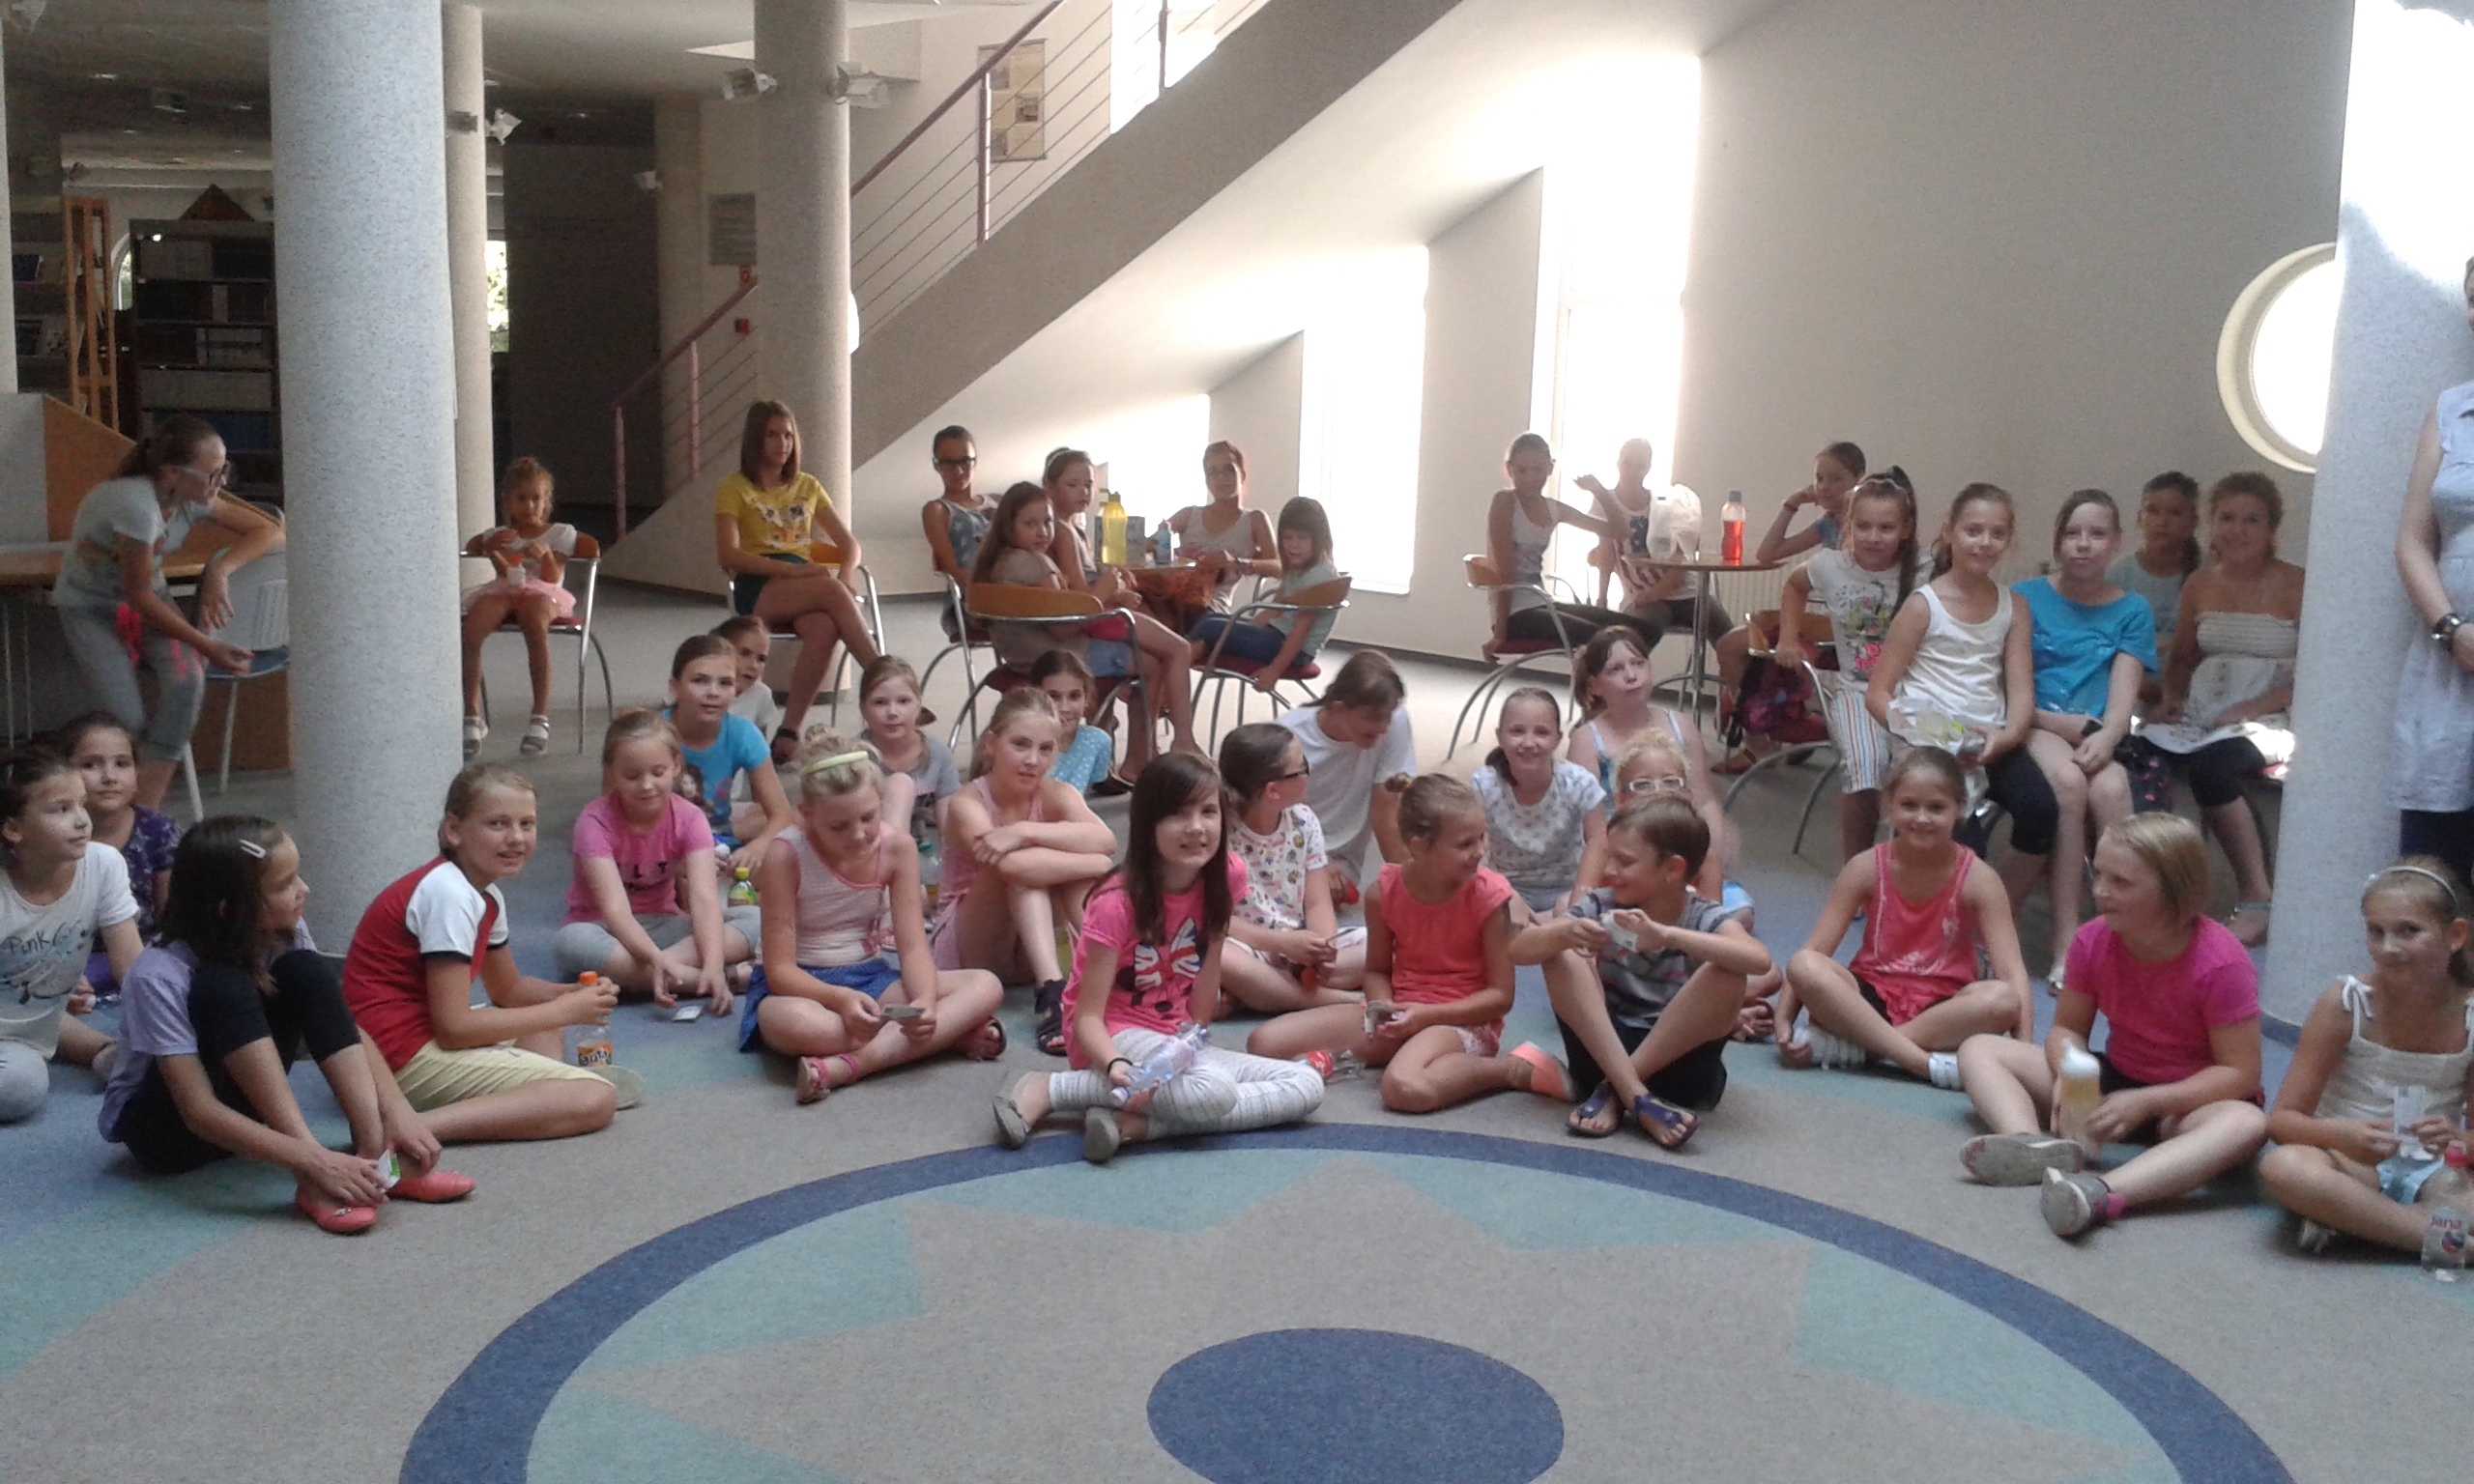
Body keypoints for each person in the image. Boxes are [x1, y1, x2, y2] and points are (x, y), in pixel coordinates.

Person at [99, 816, 475, 1232]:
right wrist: (315, 1161)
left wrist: (397, 1112)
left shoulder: (282, 928)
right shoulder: (157, 974)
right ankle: (312, 1178)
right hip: (169, 1136)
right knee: (222, 984)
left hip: (247, 1111)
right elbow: (198, 1112)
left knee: (306, 970)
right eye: (284, 884)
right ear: (229, 909)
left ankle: (375, 1157)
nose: (304, 889)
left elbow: (343, 1025)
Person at [993, 755, 1325, 1162]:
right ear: (1148, 823)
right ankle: (1054, 1088)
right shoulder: (1116, 902)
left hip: (1173, 1036)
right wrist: (1113, 1063)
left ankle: (1139, 1125)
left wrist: (1189, 1042)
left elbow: (1207, 981)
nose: (1196, 827)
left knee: (1305, 1083)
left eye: (1208, 812)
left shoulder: (1227, 874)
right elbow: (1086, 1017)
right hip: (1111, 1034)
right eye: (1178, 814)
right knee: (1213, 1090)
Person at [1954, 813, 2267, 1240]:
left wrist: (2148, 1102)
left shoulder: (2222, 962)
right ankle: (2029, 1144)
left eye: (2121, 882)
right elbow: (2067, 1029)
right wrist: (2070, 1075)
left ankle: (2100, 1192)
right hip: (2113, 1081)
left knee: (2247, 1125)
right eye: (2098, 874)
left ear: (2174, 889)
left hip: (2189, 1102)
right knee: (1980, 1049)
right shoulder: (2092, 939)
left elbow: (2240, 1073)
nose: (2100, 890)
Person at [1249, 774, 1568, 1112]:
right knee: (1263, 1043)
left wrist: (1426, 1016)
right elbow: (1376, 970)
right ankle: (1408, 1053)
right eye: (1465, 844)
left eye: (1482, 837)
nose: (1481, 851)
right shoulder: (1383, 893)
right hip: (1402, 1011)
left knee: (1404, 1088)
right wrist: (1381, 1007)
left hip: (1461, 1021)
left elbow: (1500, 997)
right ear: (1418, 847)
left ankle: (1509, 1069)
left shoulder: (1489, 896)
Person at [341, 763, 622, 1142]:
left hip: (414, 1042)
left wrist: (574, 994)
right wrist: (564, 1010)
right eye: (497, 824)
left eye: (527, 824)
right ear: (453, 830)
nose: (516, 838)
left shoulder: (484, 894)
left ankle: (528, 1099)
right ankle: (407, 1129)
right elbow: (454, 1029)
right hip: (396, 1058)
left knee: (545, 1026)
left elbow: (509, 990)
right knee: (596, 1097)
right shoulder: (450, 893)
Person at [741, 733, 1005, 1101]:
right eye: (838, 826)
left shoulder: (897, 847)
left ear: (881, 801)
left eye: (869, 817)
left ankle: (850, 1066)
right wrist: (839, 999)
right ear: (806, 815)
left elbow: (912, 947)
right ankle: (944, 1038)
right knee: (808, 1027)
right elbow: (780, 970)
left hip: (870, 978)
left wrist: (924, 1001)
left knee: (986, 985)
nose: (859, 834)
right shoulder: (785, 854)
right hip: (801, 988)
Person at [51, 414, 284, 809]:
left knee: (187, 682)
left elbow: (271, 530)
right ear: (173, 472)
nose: (221, 483)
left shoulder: (190, 500)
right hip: (92, 608)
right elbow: (138, 596)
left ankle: (144, 809)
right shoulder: (135, 504)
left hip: (149, 602)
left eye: (224, 471)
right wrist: (207, 645)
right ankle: (116, 811)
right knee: (125, 720)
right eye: (212, 474)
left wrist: (219, 568)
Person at [1515, 793, 1771, 1147]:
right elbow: (1519, 951)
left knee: (1728, 971)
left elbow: (1759, 960)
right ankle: (1635, 1095)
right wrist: (1566, 932)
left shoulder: (1701, 915)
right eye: (1609, 857)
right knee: (1560, 951)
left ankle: (1616, 1091)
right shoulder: (1601, 904)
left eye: (1624, 861)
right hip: (1604, 1051)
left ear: (1673, 870)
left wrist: (1667, 936)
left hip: (1678, 1067)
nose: (1608, 870)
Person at [1780, 747, 2031, 1089]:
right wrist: (1783, 1020)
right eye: (1909, 805)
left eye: (1936, 808)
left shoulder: (1980, 879)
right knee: (1804, 965)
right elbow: (1814, 951)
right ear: (1889, 805)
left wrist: (2024, 1052)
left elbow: (2012, 973)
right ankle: (1921, 1062)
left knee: (2002, 999)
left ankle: (1865, 1047)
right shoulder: (1864, 867)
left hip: (1943, 1009)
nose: (1922, 818)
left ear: (1960, 807)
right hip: (1869, 998)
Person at [2260, 859, 2474, 1254]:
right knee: (2284, 1168)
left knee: (2462, 1193)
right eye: (2376, 932)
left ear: (2456, 935)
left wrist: (2457, 1138)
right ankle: (2441, 1239)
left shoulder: (2470, 1014)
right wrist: (2341, 1135)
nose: (2388, 948)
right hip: (2347, 1162)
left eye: (2408, 931)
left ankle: (2362, 1221)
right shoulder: (2345, 1003)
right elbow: (2282, 1121)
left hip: (2434, 1170)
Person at [1865, 481, 2058, 912]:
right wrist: (1922, 736)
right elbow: (1878, 694)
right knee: (1962, 838)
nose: (1984, 542)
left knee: (2041, 809)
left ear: (2008, 540)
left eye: (1997, 533)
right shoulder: (1923, 605)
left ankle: (1995, 913)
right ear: (1949, 531)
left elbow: (2021, 692)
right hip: (1929, 744)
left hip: (1990, 740)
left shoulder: (2015, 606)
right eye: (1973, 530)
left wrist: (2006, 737)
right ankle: (1943, 918)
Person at [2140, 471, 2304, 947]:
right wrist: (2171, 698)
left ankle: (2256, 897)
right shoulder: (2200, 583)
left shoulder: (2297, 583)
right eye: (2227, 518)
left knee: (2213, 768)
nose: (2238, 530)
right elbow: (2183, 656)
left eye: (2251, 520)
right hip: (2204, 710)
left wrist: (2253, 707)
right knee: (2135, 750)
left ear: (2271, 529)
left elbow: (2317, 673)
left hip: (2270, 715)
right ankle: (2161, 886)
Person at [2015, 490, 2154, 976]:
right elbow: (2010, 690)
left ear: (2116, 542)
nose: (2083, 543)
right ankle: (2067, 941)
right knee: (2069, 784)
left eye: (2096, 534)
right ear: (2057, 541)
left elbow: (2122, 701)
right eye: (2072, 533)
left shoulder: (2133, 608)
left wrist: (2109, 736)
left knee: (2113, 790)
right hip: (2036, 722)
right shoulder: (2024, 597)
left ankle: (2124, 936)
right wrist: (2059, 724)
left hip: (2096, 730)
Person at [933, 688, 1116, 1056]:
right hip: (971, 952)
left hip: (1027, 949)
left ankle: (1112, 968)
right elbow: (1013, 868)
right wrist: (1097, 863)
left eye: (1045, 749)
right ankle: (1053, 994)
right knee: (1025, 872)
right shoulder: (968, 802)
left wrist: (1023, 831)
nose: (1033, 760)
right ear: (991, 744)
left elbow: (1106, 840)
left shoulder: (1057, 793)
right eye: (1020, 745)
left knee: (1062, 868)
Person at [972, 480, 1203, 765]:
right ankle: (1141, 757)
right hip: (1059, 656)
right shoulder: (1036, 565)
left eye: (1047, 522)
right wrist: (1103, 591)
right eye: (1030, 524)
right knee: (1152, 664)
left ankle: (1117, 753)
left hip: (1019, 659)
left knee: (1145, 652)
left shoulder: (998, 563)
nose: (1043, 531)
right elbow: (1063, 627)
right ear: (1009, 526)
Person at [552, 709, 758, 1012]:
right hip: (604, 928)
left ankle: (642, 980)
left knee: (754, 918)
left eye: (657, 773)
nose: (646, 785)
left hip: (664, 924)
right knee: (569, 942)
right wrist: (656, 958)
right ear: (612, 773)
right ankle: (715, 979)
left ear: (676, 766)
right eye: (632, 776)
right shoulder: (594, 823)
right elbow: (615, 910)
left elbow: (703, 898)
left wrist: (713, 963)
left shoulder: (690, 818)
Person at [712, 399, 881, 753]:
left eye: (788, 435)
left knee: (825, 626)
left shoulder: (807, 486)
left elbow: (849, 545)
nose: (783, 443)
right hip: (759, 583)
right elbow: (727, 554)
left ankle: (788, 732)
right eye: (772, 435)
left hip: (804, 586)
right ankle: (884, 680)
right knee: (831, 592)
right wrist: (792, 570)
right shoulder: (734, 487)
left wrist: (845, 576)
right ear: (755, 440)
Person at [1773, 470, 1918, 859]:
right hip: (1857, 690)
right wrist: (1788, 637)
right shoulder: (1830, 565)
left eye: (1886, 527)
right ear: (1848, 525)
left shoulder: (1923, 570)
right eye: (1863, 526)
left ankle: (1910, 866)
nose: (1873, 537)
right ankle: (1858, 868)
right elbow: (1794, 585)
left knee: (1923, 769)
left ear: (1905, 530)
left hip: (1913, 691)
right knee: (1865, 768)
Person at [1710, 441, 1870, 768]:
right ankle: (1765, 738)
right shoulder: (1828, 523)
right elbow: (1767, 553)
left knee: (1765, 659)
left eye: (1836, 479)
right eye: (1819, 478)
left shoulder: (1865, 526)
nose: (1825, 487)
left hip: (1854, 633)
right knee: (1729, 645)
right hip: (1823, 624)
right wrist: (1791, 504)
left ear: (1858, 480)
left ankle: (1787, 732)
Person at [0, 750, 136, 1123]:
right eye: (60, 809)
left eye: (81, 804)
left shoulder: (102, 864)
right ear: (13, 829)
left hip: (30, 1022)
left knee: (162, 1057)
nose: (81, 820)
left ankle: (101, 1049)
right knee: (20, 1085)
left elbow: (134, 971)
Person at [2393, 267, 2474, 882]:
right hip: (2452, 660)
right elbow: (2412, 542)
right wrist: (2452, 629)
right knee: (2433, 871)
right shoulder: (2451, 408)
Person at [1566, 627, 1731, 901]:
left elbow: (1703, 799)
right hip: (1619, 861)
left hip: (1680, 853)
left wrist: (1710, 848)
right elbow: (1592, 828)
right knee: (1574, 909)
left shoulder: (1681, 726)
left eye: (1638, 663)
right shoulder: (1587, 740)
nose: (1631, 675)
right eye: (1616, 669)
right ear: (1594, 685)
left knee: (1738, 913)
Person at [1217, 723, 1365, 1014]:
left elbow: (1318, 902)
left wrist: (1322, 950)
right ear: (1272, 790)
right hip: (1249, 944)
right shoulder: (1220, 832)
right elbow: (1215, 919)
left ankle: (1266, 992)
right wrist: (1280, 943)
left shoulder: (1304, 821)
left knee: (1392, 945)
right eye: (1302, 767)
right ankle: (1332, 1000)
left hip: (1299, 943)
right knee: (1218, 957)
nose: (1310, 771)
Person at [459, 456, 578, 759]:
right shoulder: (500, 534)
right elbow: (504, 571)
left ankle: (540, 716)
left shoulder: (560, 533)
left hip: (545, 592)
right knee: (471, 629)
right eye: (521, 499)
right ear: (508, 502)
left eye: (536, 499)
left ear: (547, 501)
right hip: (508, 588)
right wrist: (493, 550)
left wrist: (545, 555)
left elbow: (552, 577)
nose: (529, 506)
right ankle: (472, 714)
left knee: (534, 621)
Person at [1484, 432, 1639, 660]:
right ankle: (1599, 680)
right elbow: (1505, 572)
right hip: (1514, 616)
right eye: (1522, 470)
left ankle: (1610, 677)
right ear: (1509, 469)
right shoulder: (1504, 502)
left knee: (1638, 629)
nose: (1530, 478)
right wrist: (1500, 634)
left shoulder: (1554, 508)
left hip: (1543, 604)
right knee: (1607, 638)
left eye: (1538, 470)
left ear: (1550, 467)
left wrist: (1599, 491)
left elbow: (1620, 531)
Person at [60, 713, 180, 995]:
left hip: (143, 953)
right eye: (90, 765)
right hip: (71, 960)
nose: (109, 777)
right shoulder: (51, 835)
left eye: (122, 764)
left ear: (138, 773)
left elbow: (172, 918)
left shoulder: (158, 830)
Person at [1279, 649, 1417, 894]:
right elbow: (1266, 818)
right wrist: (1312, 858)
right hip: (1287, 848)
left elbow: (1385, 814)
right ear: (1338, 708)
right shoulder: (1289, 737)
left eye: (1388, 717)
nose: (1384, 728)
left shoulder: (1393, 719)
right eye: (1374, 718)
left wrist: (1417, 889)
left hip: (1343, 862)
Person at [1470, 686, 1608, 919]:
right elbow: (1473, 847)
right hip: (1506, 886)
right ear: (1499, 737)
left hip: (1568, 885)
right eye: (1517, 731)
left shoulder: (1579, 783)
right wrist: (1501, 894)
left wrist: (1580, 896)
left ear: (1557, 739)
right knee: (1497, 917)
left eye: (1541, 732)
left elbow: (1599, 839)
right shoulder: (1483, 785)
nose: (1528, 742)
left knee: (1572, 917)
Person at [668, 634, 795, 873]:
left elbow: (781, 814)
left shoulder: (742, 733)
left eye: (725, 683)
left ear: (736, 689)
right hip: (664, 846)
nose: (713, 692)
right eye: (700, 681)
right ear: (675, 687)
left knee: (789, 848)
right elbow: (614, 816)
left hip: (720, 842)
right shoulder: (654, 736)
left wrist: (758, 847)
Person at [1187, 496, 1345, 687]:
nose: (1294, 545)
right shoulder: (1298, 566)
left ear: (1319, 539)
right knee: (1210, 620)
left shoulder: (1319, 575)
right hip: (1276, 635)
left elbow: (1300, 632)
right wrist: (1240, 630)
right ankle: (1180, 662)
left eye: (1302, 538)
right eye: (1288, 537)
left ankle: (1175, 666)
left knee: (1210, 628)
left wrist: (1274, 670)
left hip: (1293, 650)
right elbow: (1275, 609)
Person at [1574, 437, 1722, 642]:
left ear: (1648, 468)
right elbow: (1606, 553)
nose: (1632, 471)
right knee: (1636, 637)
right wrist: (1602, 600)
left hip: (1686, 594)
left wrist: (1656, 592)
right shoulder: (1605, 501)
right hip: (1642, 599)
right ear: (1617, 464)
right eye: (1627, 463)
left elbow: (1681, 559)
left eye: (1640, 465)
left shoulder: (1665, 502)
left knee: (1732, 639)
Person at [857, 656, 958, 876]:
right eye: (880, 702)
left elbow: (950, 830)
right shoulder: (856, 758)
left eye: (903, 701)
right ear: (863, 709)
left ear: (919, 706)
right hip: (872, 859)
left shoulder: (938, 755)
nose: (892, 712)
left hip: (928, 858)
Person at [2108, 471, 2202, 702]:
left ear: (2193, 523)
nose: (2162, 522)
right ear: (2139, 518)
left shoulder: (2207, 576)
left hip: (2194, 694)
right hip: (2130, 692)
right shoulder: (2118, 575)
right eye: (2153, 511)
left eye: (2175, 513)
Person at [1166, 440, 1280, 615]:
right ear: (1207, 481)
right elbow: (1149, 545)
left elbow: (1279, 566)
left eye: (1229, 470)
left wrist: (1238, 562)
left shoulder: (1254, 519)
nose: (1221, 478)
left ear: (1242, 474)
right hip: (1172, 599)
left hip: (1210, 608)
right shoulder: (1188, 515)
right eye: (1213, 473)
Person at [920, 424, 993, 642]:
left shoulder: (997, 502)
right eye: (949, 463)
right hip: (967, 599)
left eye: (965, 461)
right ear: (937, 465)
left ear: (975, 461)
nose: (959, 471)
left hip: (1013, 590)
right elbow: (952, 568)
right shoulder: (937, 510)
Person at [1030, 649, 1115, 796]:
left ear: (1087, 699)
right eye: (1053, 697)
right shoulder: (1023, 743)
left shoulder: (1096, 742)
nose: (1065, 708)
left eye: (1074, 696)